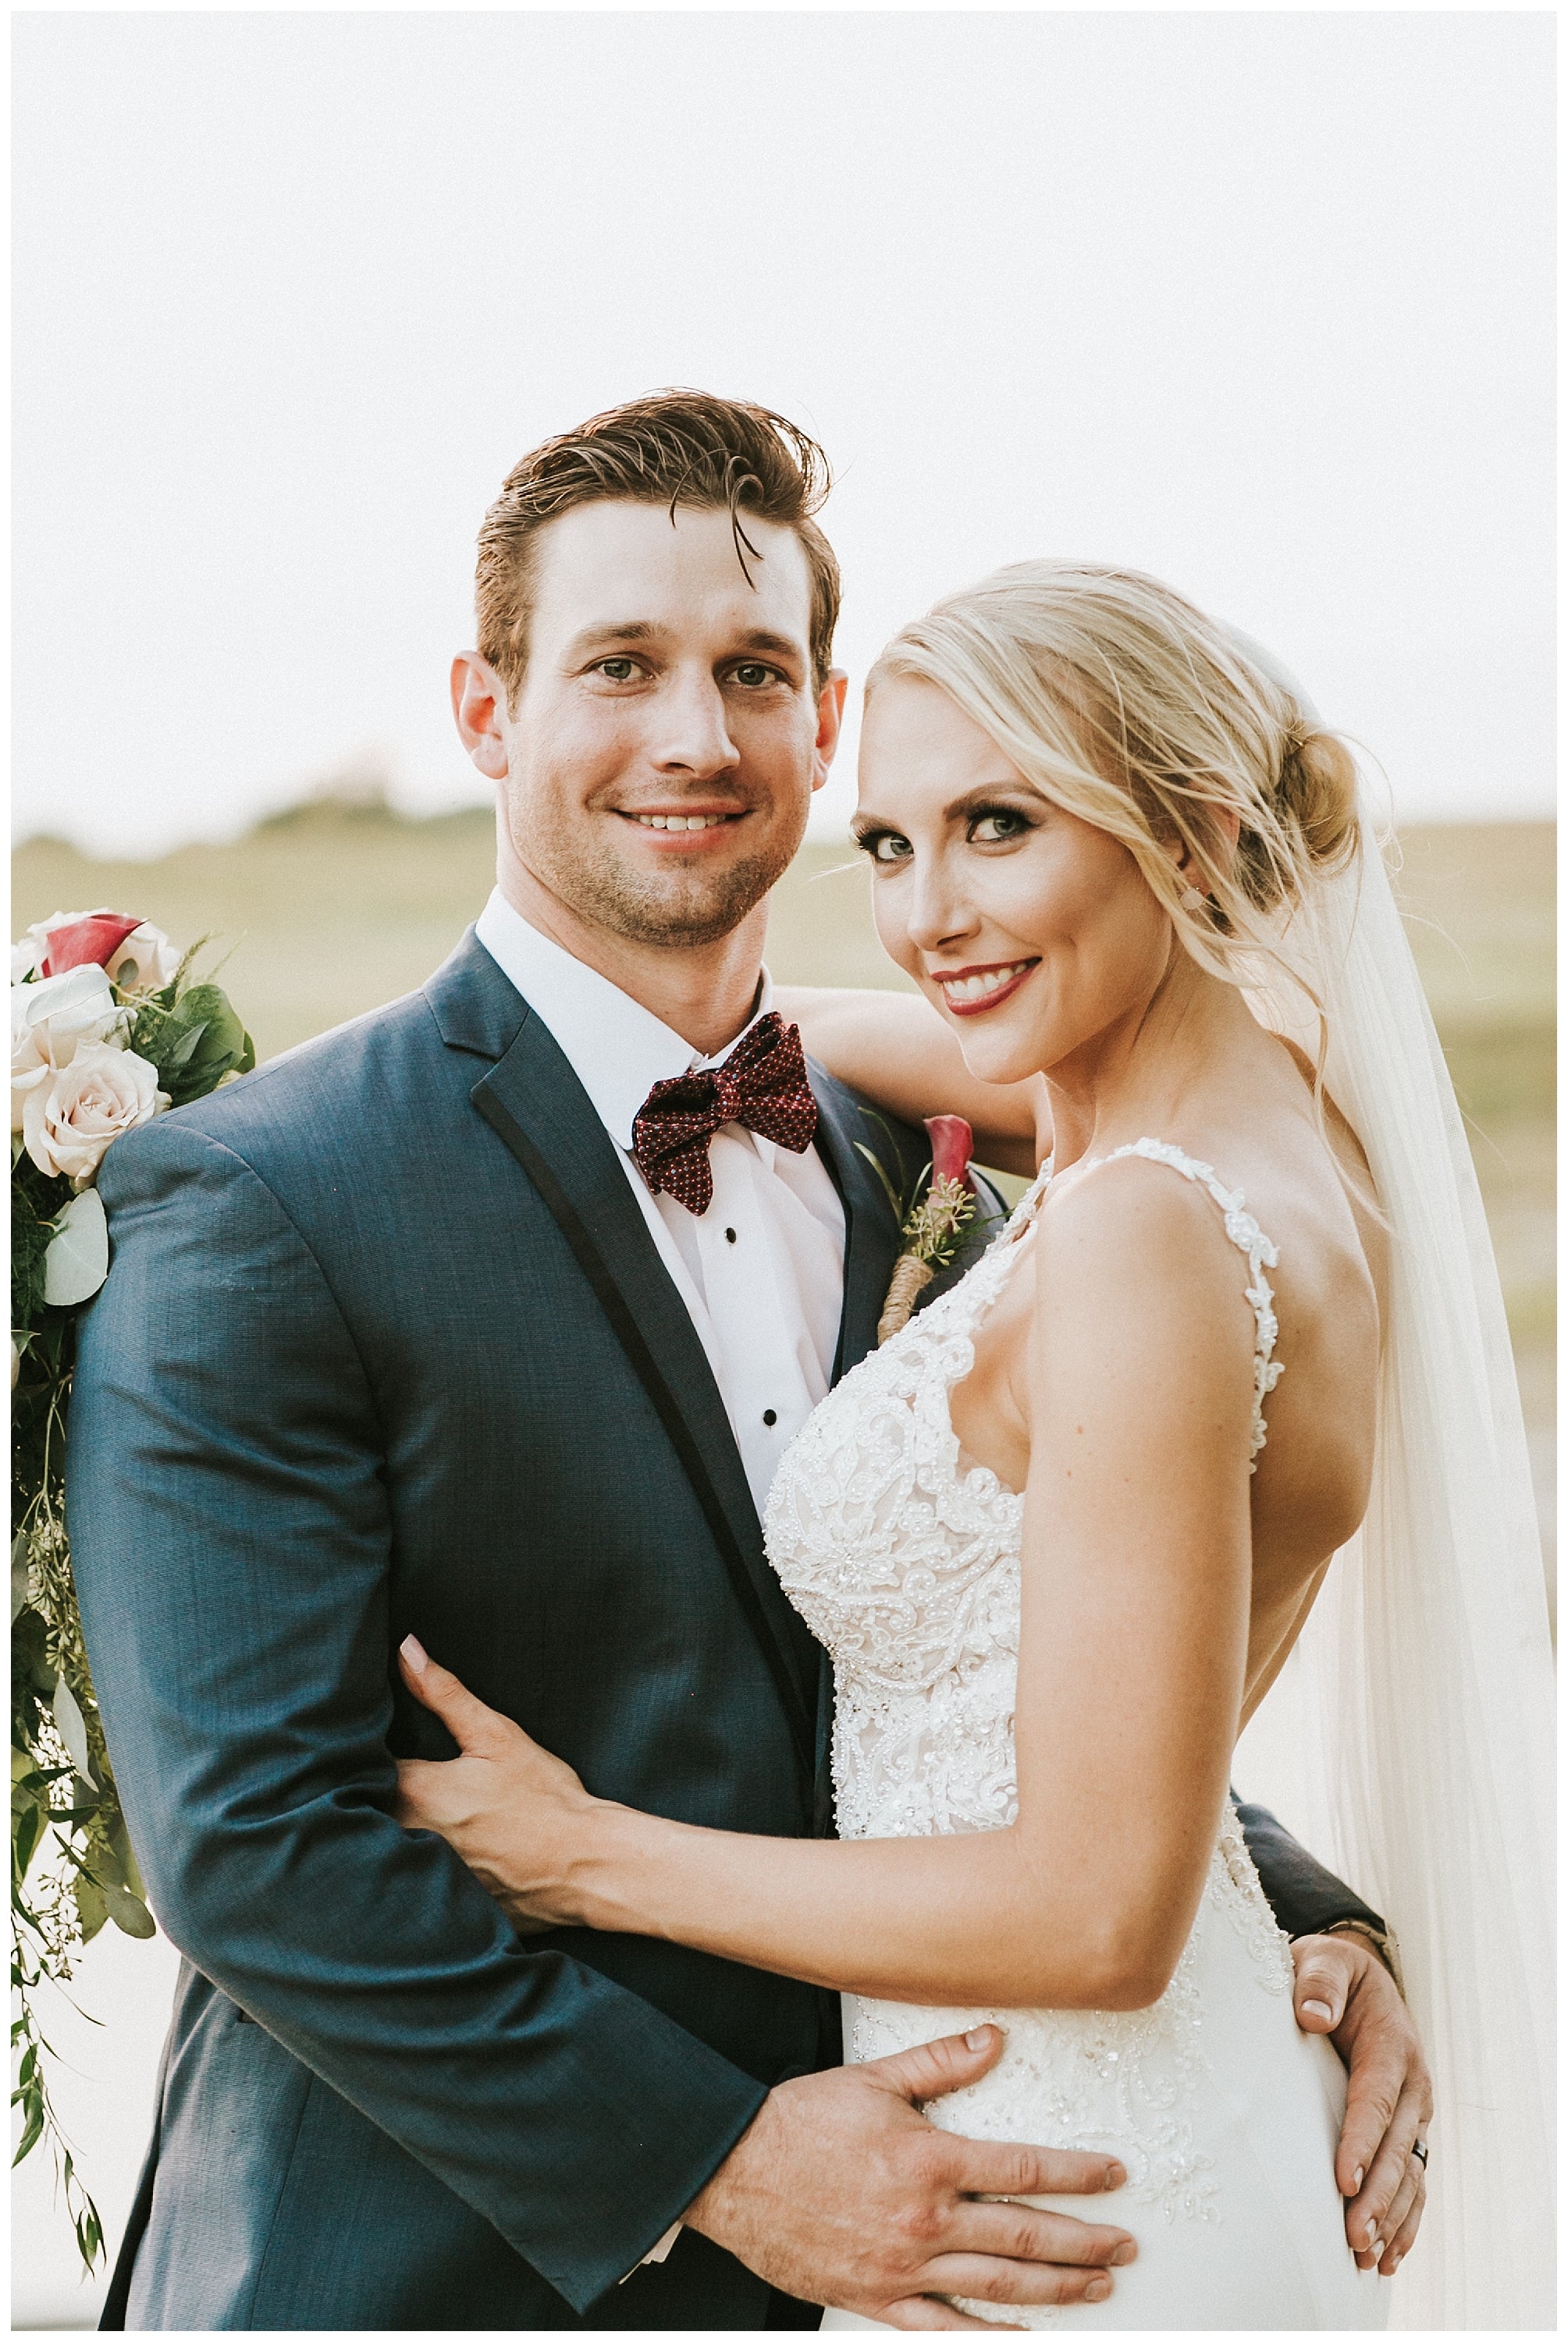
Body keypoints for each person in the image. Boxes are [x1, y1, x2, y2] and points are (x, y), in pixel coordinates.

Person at [70, 397, 1431, 2333]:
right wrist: (713, 2162)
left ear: (823, 713)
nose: (696, 738)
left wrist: (1290, 1913)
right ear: (486, 709)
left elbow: (963, 1659)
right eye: (620, 667)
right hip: (437, 2276)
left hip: (987, 2217)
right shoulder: (261, 1196)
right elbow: (259, 1845)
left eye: (755, 674)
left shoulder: (928, 1146)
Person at [391, 556, 1550, 2325]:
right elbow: (804, 1043)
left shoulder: (1143, 1232)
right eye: (888, 844)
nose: (928, 913)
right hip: (1129, 2115)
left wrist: (582, 1852)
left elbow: (1100, 1910)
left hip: (1070, 2174)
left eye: (999, 826)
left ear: (1193, 829)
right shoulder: (1286, 1128)